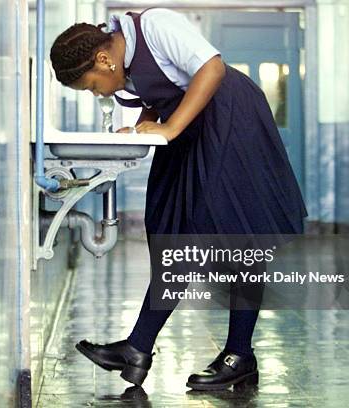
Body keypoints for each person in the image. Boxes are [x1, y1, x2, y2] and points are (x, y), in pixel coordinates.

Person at [49, 7, 308, 391]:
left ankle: (239, 354)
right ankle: (137, 348)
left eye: (90, 85)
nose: (97, 92)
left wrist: (168, 127)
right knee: (171, 231)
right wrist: (141, 128)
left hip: (229, 120)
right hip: (189, 128)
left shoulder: (155, 25)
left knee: (234, 233)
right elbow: (165, 92)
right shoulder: (126, 66)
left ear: (104, 59)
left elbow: (212, 69)